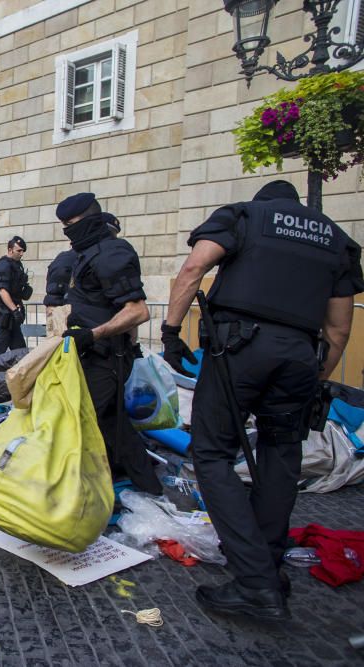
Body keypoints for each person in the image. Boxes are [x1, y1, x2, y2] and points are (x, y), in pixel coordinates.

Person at [161, 180, 363, 621]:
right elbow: (340, 328)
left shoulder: (245, 216)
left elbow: (195, 268)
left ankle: (255, 582)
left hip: (240, 348)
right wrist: (316, 378)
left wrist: (172, 332)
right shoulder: (336, 238)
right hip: (301, 356)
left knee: (212, 453)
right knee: (280, 454)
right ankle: (268, 565)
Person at [54, 193, 161, 496]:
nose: (67, 231)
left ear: (89, 220)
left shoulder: (112, 252)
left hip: (106, 358)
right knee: (116, 426)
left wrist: (94, 334)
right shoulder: (87, 254)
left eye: (70, 224)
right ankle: (148, 487)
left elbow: (137, 311)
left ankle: (85, 497)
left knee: (81, 425)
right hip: (93, 354)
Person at [44, 213, 121, 311]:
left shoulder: (105, 260)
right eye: (108, 234)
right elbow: (54, 304)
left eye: (113, 236)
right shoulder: (67, 260)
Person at [0, 236, 32, 357]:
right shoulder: (3, 265)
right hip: (3, 314)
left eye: (23, 251)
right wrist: (14, 310)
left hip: (12, 316)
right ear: (10, 250)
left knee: (21, 352)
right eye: (19, 250)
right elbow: (2, 291)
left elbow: (15, 290)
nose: (22, 253)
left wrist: (25, 290)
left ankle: (22, 375)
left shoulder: (17, 265)